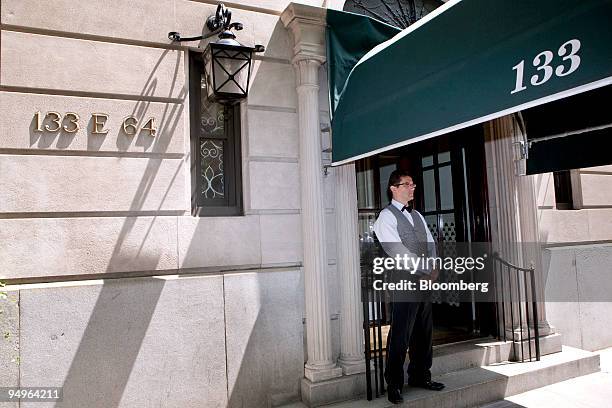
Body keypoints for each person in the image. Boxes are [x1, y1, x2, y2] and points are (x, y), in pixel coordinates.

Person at [373, 169, 445, 404]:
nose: (412, 187)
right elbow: (396, 251)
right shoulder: (386, 217)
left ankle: (421, 376)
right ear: (394, 188)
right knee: (401, 333)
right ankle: (394, 384)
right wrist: (425, 269)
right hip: (404, 279)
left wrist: (434, 267)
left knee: (424, 331)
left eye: (413, 184)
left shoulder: (418, 216)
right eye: (407, 184)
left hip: (424, 280)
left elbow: (430, 243)